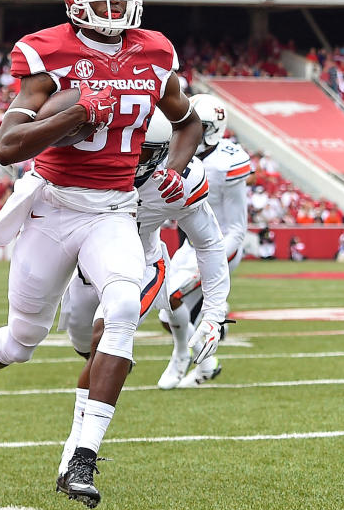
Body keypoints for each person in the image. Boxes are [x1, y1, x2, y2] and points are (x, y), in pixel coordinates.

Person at [0, 0, 201, 510]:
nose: (113, 0)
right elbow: (6, 146)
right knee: (21, 340)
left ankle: (81, 456)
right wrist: (75, 111)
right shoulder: (48, 54)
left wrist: (172, 171)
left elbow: (187, 122)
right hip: (53, 204)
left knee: (121, 308)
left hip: (114, 207)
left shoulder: (155, 54)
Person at [57, 111, 230, 489]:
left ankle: (77, 449)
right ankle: (110, 368)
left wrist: (214, 315)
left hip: (141, 267)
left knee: (106, 336)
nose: (133, 159)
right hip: (87, 270)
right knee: (87, 350)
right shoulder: (91, 161)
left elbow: (209, 243)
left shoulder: (178, 181)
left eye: (145, 151)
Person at [157, 93, 252, 390]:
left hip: (222, 242)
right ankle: (206, 363)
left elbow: (237, 225)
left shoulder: (227, 162)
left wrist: (221, 258)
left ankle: (182, 356)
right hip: (193, 242)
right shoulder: (185, 153)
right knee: (165, 308)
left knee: (172, 298)